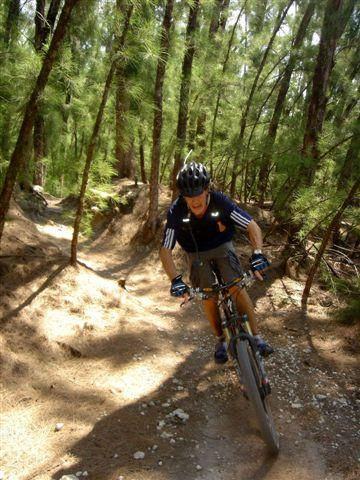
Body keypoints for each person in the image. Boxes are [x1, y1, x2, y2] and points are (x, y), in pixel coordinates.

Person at [160, 161, 273, 364]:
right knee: (208, 295)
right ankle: (220, 339)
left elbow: (252, 225)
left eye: (198, 195)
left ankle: (256, 337)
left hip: (222, 246)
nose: (194, 201)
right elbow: (165, 249)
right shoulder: (176, 211)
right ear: (182, 196)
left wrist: (257, 253)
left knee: (236, 287)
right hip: (196, 253)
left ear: (207, 189)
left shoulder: (220, 201)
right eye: (188, 196)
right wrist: (175, 279)